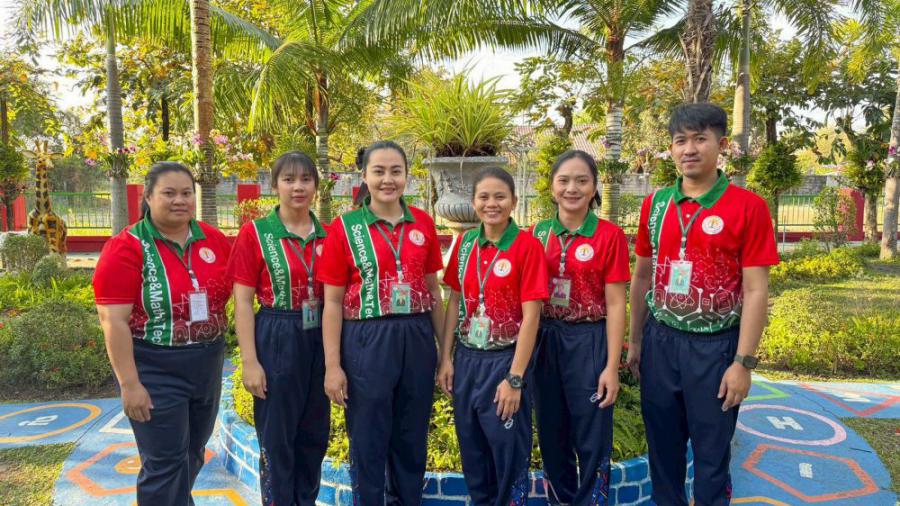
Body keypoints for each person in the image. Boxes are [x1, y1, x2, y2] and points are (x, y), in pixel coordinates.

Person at [628, 103, 779, 505]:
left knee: (712, 458)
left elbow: (756, 291)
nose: (689, 149)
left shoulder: (748, 207)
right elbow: (641, 276)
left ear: (721, 144)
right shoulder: (655, 204)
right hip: (660, 343)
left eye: (700, 139)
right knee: (663, 454)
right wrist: (636, 341)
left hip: (715, 349)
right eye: (681, 141)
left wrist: (743, 363)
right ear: (671, 148)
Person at [93, 162, 232, 505]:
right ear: (148, 196)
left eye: (186, 193)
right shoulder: (126, 247)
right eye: (169, 193)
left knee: (193, 452)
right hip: (155, 367)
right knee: (164, 462)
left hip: (207, 363)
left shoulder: (212, 239)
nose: (179, 200)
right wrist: (130, 385)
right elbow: (113, 321)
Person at [317, 140, 445, 506]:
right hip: (366, 339)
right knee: (368, 436)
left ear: (407, 176)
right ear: (364, 176)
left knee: (411, 434)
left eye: (395, 171)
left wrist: (445, 353)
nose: (388, 179)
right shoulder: (345, 228)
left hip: (417, 336)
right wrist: (333, 366)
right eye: (379, 171)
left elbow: (433, 290)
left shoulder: (423, 223)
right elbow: (332, 302)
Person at [439, 167, 548, 506]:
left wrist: (515, 378)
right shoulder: (466, 243)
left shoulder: (527, 247)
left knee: (507, 456)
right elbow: (454, 300)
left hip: (505, 361)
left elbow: (532, 316)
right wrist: (446, 358)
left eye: (500, 197)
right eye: (484, 197)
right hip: (467, 360)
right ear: (473, 202)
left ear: (513, 201)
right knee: (473, 453)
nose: (492, 204)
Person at [228, 152, 329, 506]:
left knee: (314, 435)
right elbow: (243, 301)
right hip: (277, 333)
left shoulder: (329, 235)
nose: (298, 187)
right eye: (288, 179)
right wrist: (250, 362)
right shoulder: (256, 233)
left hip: (321, 335)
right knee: (276, 438)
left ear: (316, 186)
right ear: (274, 186)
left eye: (305, 179)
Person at [530, 151, 630, 505]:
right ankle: (560, 499)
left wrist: (611, 366)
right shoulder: (538, 233)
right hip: (545, 339)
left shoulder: (609, 236)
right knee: (551, 430)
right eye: (564, 180)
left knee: (591, 433)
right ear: (552, 187)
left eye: (582, 181)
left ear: (594, 187)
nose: (572, 188)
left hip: (589, 340)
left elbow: (616, 303)